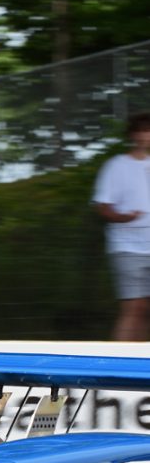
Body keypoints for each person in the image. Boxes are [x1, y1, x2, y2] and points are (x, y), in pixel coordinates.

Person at [93, 112, 150, 341]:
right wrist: (123, 218)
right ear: (133, 135)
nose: (147, 136)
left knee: (146, 310)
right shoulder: (116, 166)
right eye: (143, 130)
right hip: (128, 247)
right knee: (134, 307)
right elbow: (103, 206)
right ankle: (117, 363)